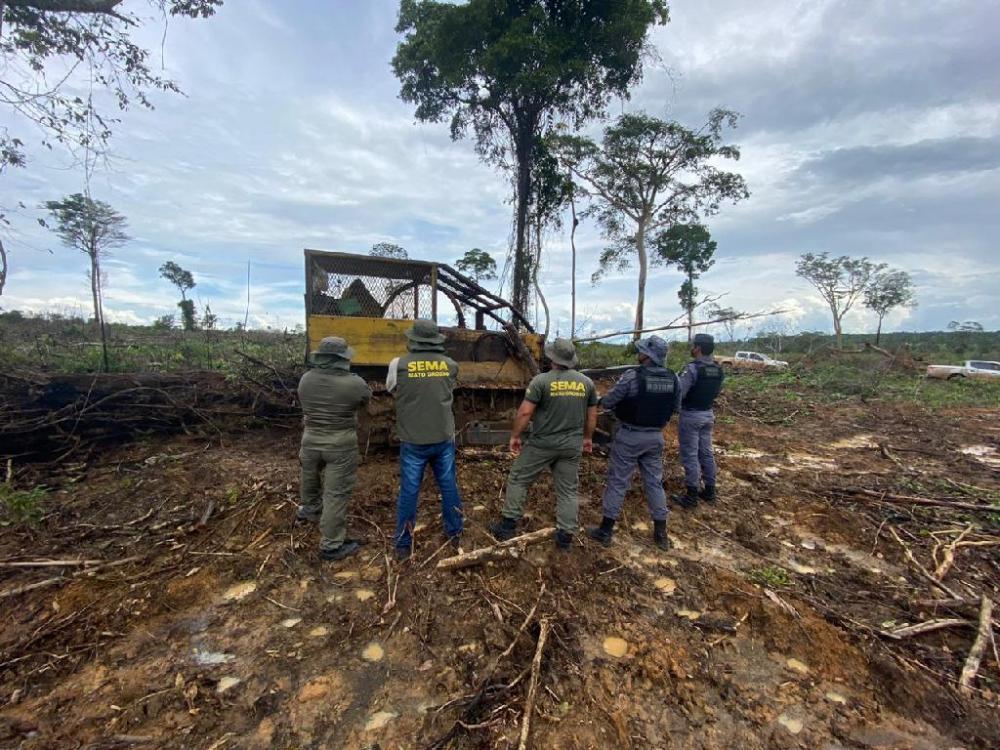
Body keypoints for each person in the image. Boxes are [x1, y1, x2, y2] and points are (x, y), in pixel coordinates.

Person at [489, 338, 598, 552]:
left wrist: (515, 436)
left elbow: (525, 412)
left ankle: (508, 525)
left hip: (543, 444)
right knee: (568, 490)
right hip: (571, 445)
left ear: (552, 358)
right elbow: (592, 416)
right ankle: (565, 538)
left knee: (519, 479)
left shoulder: (541, 381)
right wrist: (587, 438)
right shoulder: (587, 383)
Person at [587, 335, 678, 550]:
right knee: (654, 483)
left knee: (618, 481)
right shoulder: (673, 377)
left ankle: (606, 530)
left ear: (647, 355)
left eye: (641, 350)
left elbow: (609, 401)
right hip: (655, 437)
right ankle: (661, 534)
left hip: (630, 435)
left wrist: (601, 402)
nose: (639, 353)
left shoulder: (633, 376)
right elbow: (675, 407)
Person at [386, 319, 463, 561]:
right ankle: (455, 532)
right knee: (448, 483)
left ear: (413, 340)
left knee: (409, 489)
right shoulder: (450, 365)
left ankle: (402, 544)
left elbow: (391, 389)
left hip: (413, 440)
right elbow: (449, 388)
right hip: (443, 437)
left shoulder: (398, 364)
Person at [296, 336, 372, 561]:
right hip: (340, 445)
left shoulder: (306, 379)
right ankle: (331, 545)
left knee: (309, 475)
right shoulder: (354, 383)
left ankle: (308, 510)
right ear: (342, 358)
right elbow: (366, 398)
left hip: (309, 441)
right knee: (336, 494)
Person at [672, 332, 725, 509]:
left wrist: (673, 410)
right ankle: (710, 491)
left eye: (693, 345)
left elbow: (680, 393)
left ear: (699, 348)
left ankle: (691, 495)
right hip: (708, 414)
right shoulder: (718, 369)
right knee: (706, 453)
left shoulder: (693, 369)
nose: (691, 348)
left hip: (691, 416)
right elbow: (716, 392)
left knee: (690, 454)